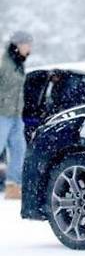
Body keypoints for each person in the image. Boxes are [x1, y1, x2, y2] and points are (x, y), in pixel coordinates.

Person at [0, 31, 33, 200]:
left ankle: (13, 187)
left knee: (19, 150)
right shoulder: (3, 63)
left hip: (15, 115)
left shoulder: (18, 64)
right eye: (28, 44)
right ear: (18, 44)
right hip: (2, 114)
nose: (30, 48)